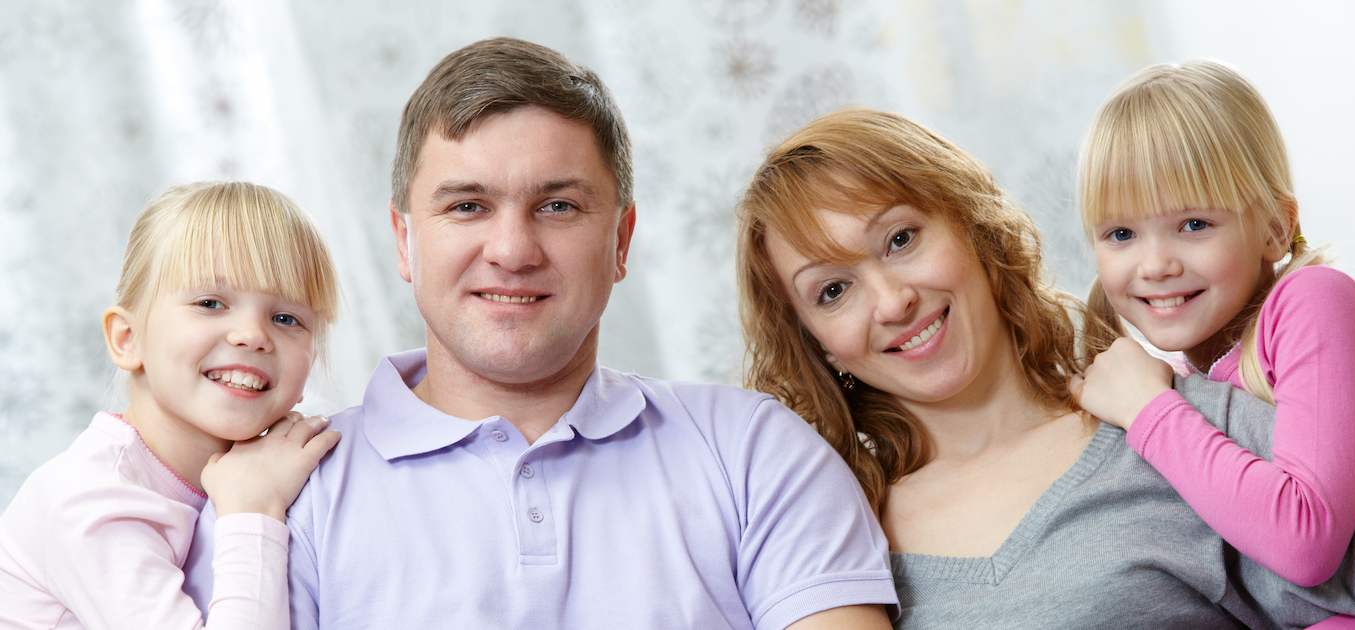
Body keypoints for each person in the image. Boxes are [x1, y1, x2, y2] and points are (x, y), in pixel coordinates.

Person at [183, 37, 896, 629]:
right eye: (467, 206)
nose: (512, 249)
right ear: (404, 242)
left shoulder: (756, 453)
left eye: (557, 205)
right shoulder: (271, 498)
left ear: (622, 240)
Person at [735, 107, 1355, 628]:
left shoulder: (1178, 431)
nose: (893, 300)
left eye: (901, 239)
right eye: (833, 290)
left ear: (973, 230)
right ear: (815, 342)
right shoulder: (829, 545)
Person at [1070, 60, 1355, 629]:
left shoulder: (1315, 302)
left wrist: (1149, 411)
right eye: (1120, 234)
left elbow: (1307, 543)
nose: (1155, 264)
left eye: (1194, 224)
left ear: (1275, 227)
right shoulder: (1180, 369)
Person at [0, 181, 342, 628]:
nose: (253, 335)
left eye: (285, 318)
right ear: (128, 339)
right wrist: (252, 511)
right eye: (210, 303)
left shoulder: (287, 465)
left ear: (309, 363)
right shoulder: (89, 500)